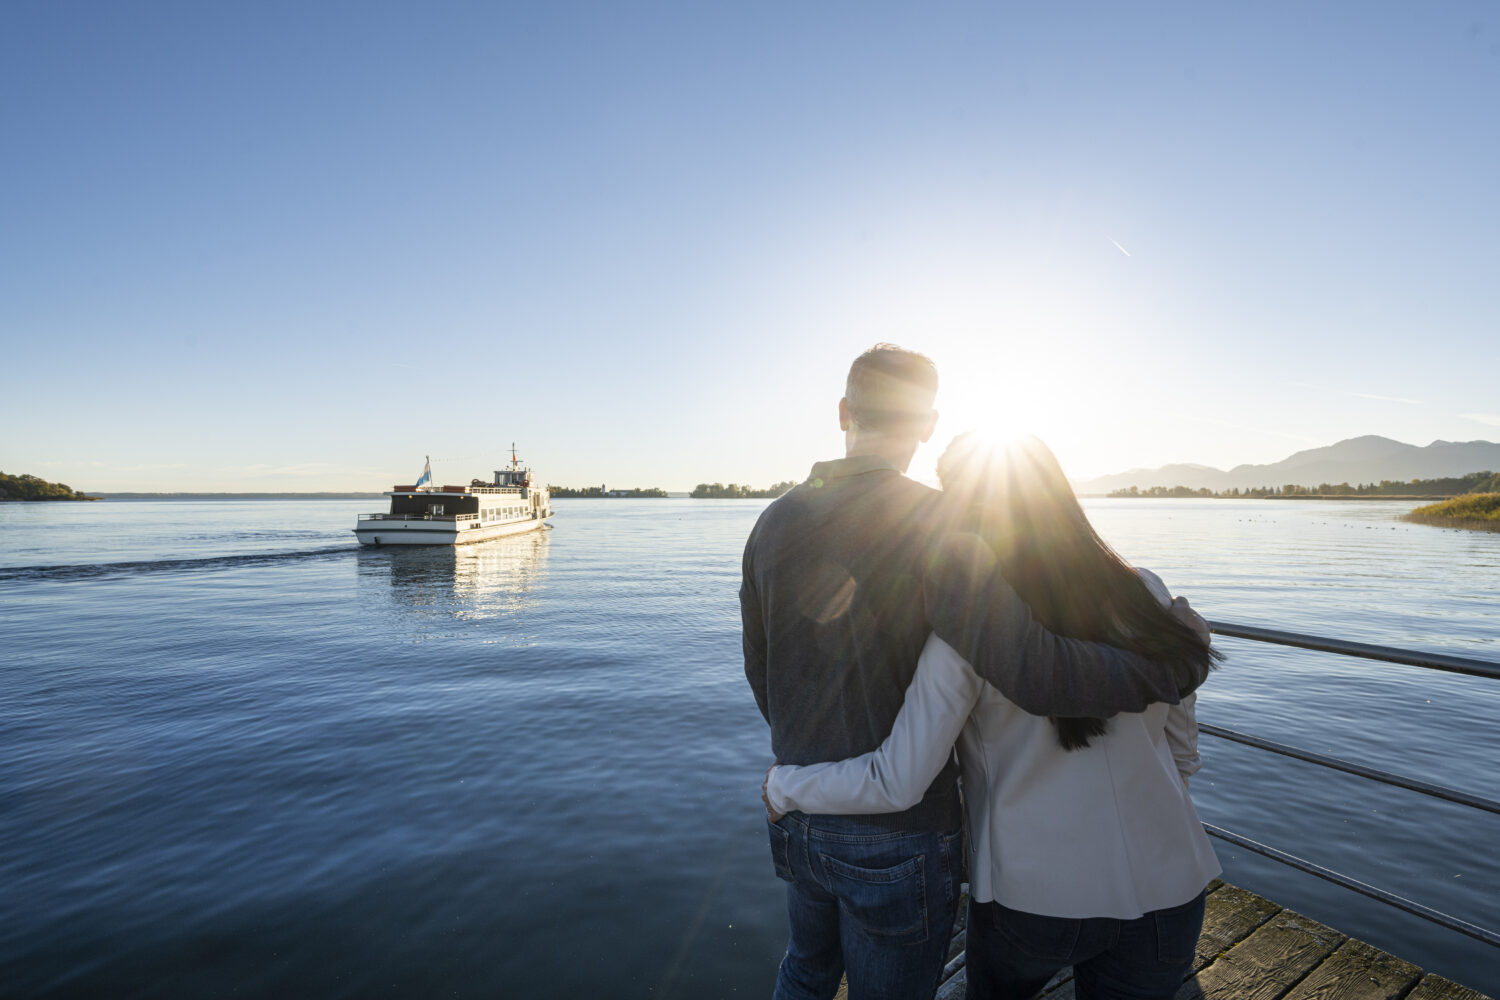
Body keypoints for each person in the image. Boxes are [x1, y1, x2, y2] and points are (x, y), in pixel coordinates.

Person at [742, 347, 1216, 1000]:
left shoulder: (771, 523)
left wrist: (795, 775)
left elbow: (761, 671)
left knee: (804, 970)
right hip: (916, 839)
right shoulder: (949, 532)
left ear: (844, 412)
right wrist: (1179, 659)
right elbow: (1040, 671)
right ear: (927, 423)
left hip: (815, 815)